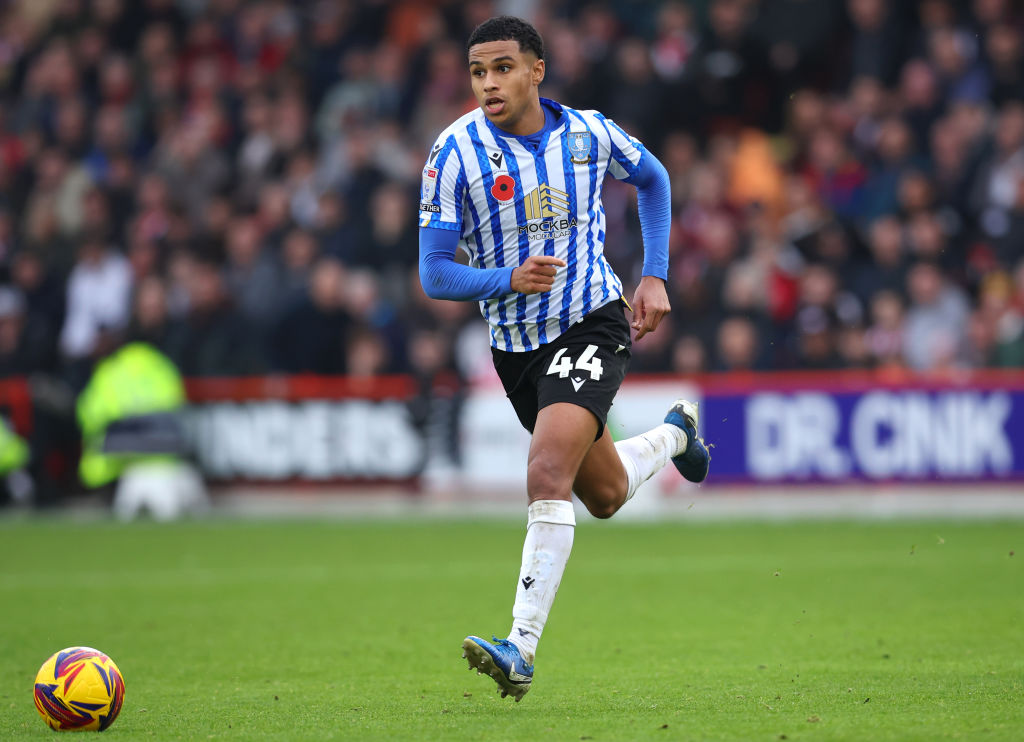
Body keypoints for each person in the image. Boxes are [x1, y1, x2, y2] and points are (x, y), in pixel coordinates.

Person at [417, 16, 711, 702]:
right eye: (478, 71)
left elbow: (656, 180)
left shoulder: (589, 134)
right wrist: (505, 279)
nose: (489, 83)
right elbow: (434, 273)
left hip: (590, 322)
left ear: (536, 70)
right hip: (515, 348)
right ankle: (677, 433)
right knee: (604, 496)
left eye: (503, 68)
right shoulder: (452, 152)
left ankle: (519, 647)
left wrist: (656, 273)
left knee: (547, 470)